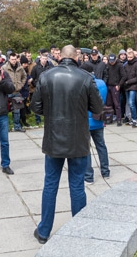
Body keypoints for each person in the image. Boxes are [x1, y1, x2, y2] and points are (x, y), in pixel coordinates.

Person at [30, 45, 103, 244]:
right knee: (77, 185)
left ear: (60, 57)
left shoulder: (46, 76)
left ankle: (44, 231)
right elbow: (97, 107)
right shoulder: (86, 77)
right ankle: (79, 230)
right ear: (76, 57)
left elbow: (35, 107)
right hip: (78, 138)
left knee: (50, 184)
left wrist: (53, 113)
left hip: (54, 138)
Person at [80, 63, 110, 184]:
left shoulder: (83, 84)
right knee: (101, 146)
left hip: (86, 120)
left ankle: (88, 176)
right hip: (98, 119)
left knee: (86, 149)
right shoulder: (102, 83)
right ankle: (105, 171)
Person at [3, 52, 27, 132]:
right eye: (12, 59)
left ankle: (17, 126)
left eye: (15, 59)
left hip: (17, 91)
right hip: (7, 92)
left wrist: (21, 84)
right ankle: (4, 127)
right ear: (9, 59)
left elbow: (24, 76)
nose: (14, 61)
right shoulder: (4, 68)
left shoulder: (20, 68)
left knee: (17, 111)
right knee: (5, 111)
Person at [123, 48, 137, 127]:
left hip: (134, 86)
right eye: (128, 57)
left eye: (131, 57)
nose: (129, 59)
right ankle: (131, 118)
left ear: (133, 56)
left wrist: (128, 82)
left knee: (132, 103)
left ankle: (135, 119)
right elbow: (124, 76)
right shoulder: (125, 65)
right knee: (129, 103)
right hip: (127, 86)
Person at [105, 53, 125, 126]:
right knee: (108, 104)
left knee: (117, 104)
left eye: (113, 61)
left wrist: (119, 84)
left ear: (116, 59)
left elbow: (124, 76)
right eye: (110, 61)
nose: (111, 62)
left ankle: (119, 119)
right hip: (108, 86)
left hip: (115, 86)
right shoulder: (107, 65)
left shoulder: (119, 65)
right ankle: (109, 118)